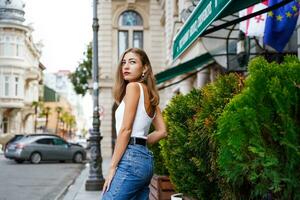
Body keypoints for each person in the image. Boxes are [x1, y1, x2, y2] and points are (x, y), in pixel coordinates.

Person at [101, 48, 167, 199]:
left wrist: (112, 167)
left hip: (131, 159)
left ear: (145, 68)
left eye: (132, 62)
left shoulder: (133, 87)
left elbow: (126, 129)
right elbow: (162, 131)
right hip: (145, 161)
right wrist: (140, 143)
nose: (125, 66)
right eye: (124, 62)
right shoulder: (151, 95)